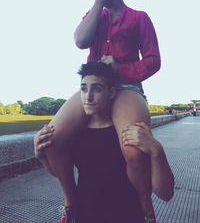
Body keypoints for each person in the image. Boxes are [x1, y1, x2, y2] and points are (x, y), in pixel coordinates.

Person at [41, 0, 161, 220]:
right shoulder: (94, 15)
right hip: (94, 85)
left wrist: (120, 69)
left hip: (127, 87)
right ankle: (71, 201)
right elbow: (80, 41)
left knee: (133, 152)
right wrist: (97, 2)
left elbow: (154, 61)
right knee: (51, 141)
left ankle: (145, 207)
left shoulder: (139, 18)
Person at [34, 62, 174, 223]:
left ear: (112, 92)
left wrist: (157, 151)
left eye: (97, 89)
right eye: (84, 89)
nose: (88, 96)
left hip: (127, 216)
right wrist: (41, 156)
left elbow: (166, 194)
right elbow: (59, 173)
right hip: (85, 216)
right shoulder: (76, 134)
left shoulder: (129, 135)